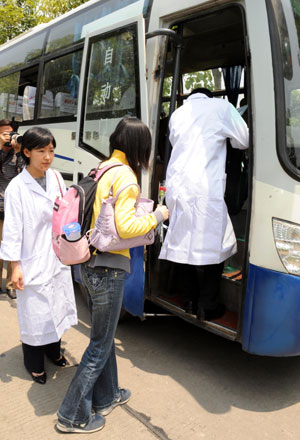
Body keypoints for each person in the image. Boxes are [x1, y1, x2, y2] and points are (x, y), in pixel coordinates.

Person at [56, 117, 168, 434]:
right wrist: (158, 215)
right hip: (108, 269)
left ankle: (108, 396)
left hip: (89, 264)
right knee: (100, 346)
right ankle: (72, 415)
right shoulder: (127, 178)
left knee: (103, 339)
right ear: (140, 146)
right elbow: (125, 227)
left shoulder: (102, 168)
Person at [159, 87, 249, 320]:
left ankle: (189, 300)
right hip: (205, 190)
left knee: (182, 243)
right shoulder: (221, 108)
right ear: (210, 96)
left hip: (178, 188)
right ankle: (207, 305)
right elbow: (244, 140)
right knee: (217, 245)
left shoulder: (178, 113)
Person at [0, 126, 77, 384]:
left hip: (55, 255)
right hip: (30, 258)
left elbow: (64, 209)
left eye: (51, 151)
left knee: (55, 307)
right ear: (27, 152)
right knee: (34, 313)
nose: (47, 157)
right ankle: (33, 361)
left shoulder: (55, 177)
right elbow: (11, 231)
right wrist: (15, 267)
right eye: (41, 151)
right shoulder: (17, 188)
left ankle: (53, 350)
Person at [0, 119, 25, 299]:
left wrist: (17, 151)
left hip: (14, 208)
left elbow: (24, 175)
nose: (8, 136)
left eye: (10, 133)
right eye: (4, 133)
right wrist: (2, 148)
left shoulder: (19, 152)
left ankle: (10, 285)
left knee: (12, 247)